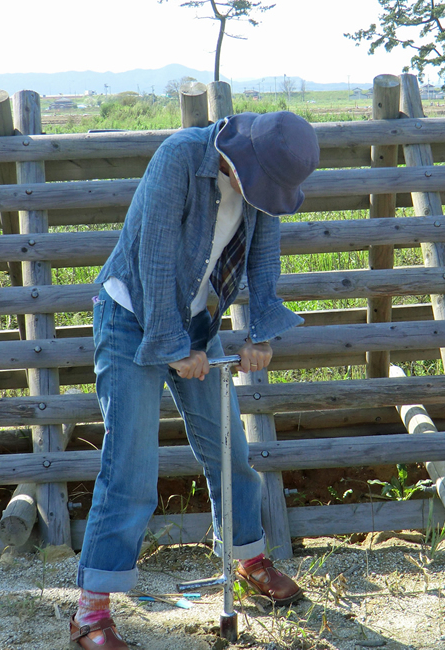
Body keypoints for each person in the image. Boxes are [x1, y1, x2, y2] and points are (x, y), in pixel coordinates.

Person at [71, 111, 318, 648]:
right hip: (132, 314)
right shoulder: (180, 157)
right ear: (241, 156)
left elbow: (263, 256)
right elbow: (155, 259)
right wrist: (172, 346)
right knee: (131, 463)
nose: (264, 195)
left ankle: (248, 559)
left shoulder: (262, 180)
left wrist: (260, 332)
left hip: (197, 318)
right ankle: (91, 610)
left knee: (228, 448)